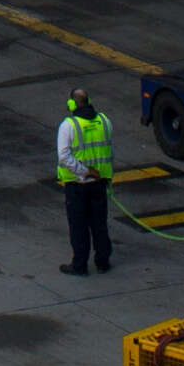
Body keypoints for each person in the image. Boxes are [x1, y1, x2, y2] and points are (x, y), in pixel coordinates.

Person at [55, 89, 117, 274]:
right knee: (99, 223)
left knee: (78, 226)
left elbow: (64, 157)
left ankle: (80, 265)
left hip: (77, 184)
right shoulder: (105, 121)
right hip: (100, 183)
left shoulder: (68, 126)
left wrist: (84, 171)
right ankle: (103, 262)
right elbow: (109, 151)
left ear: (72, 105)